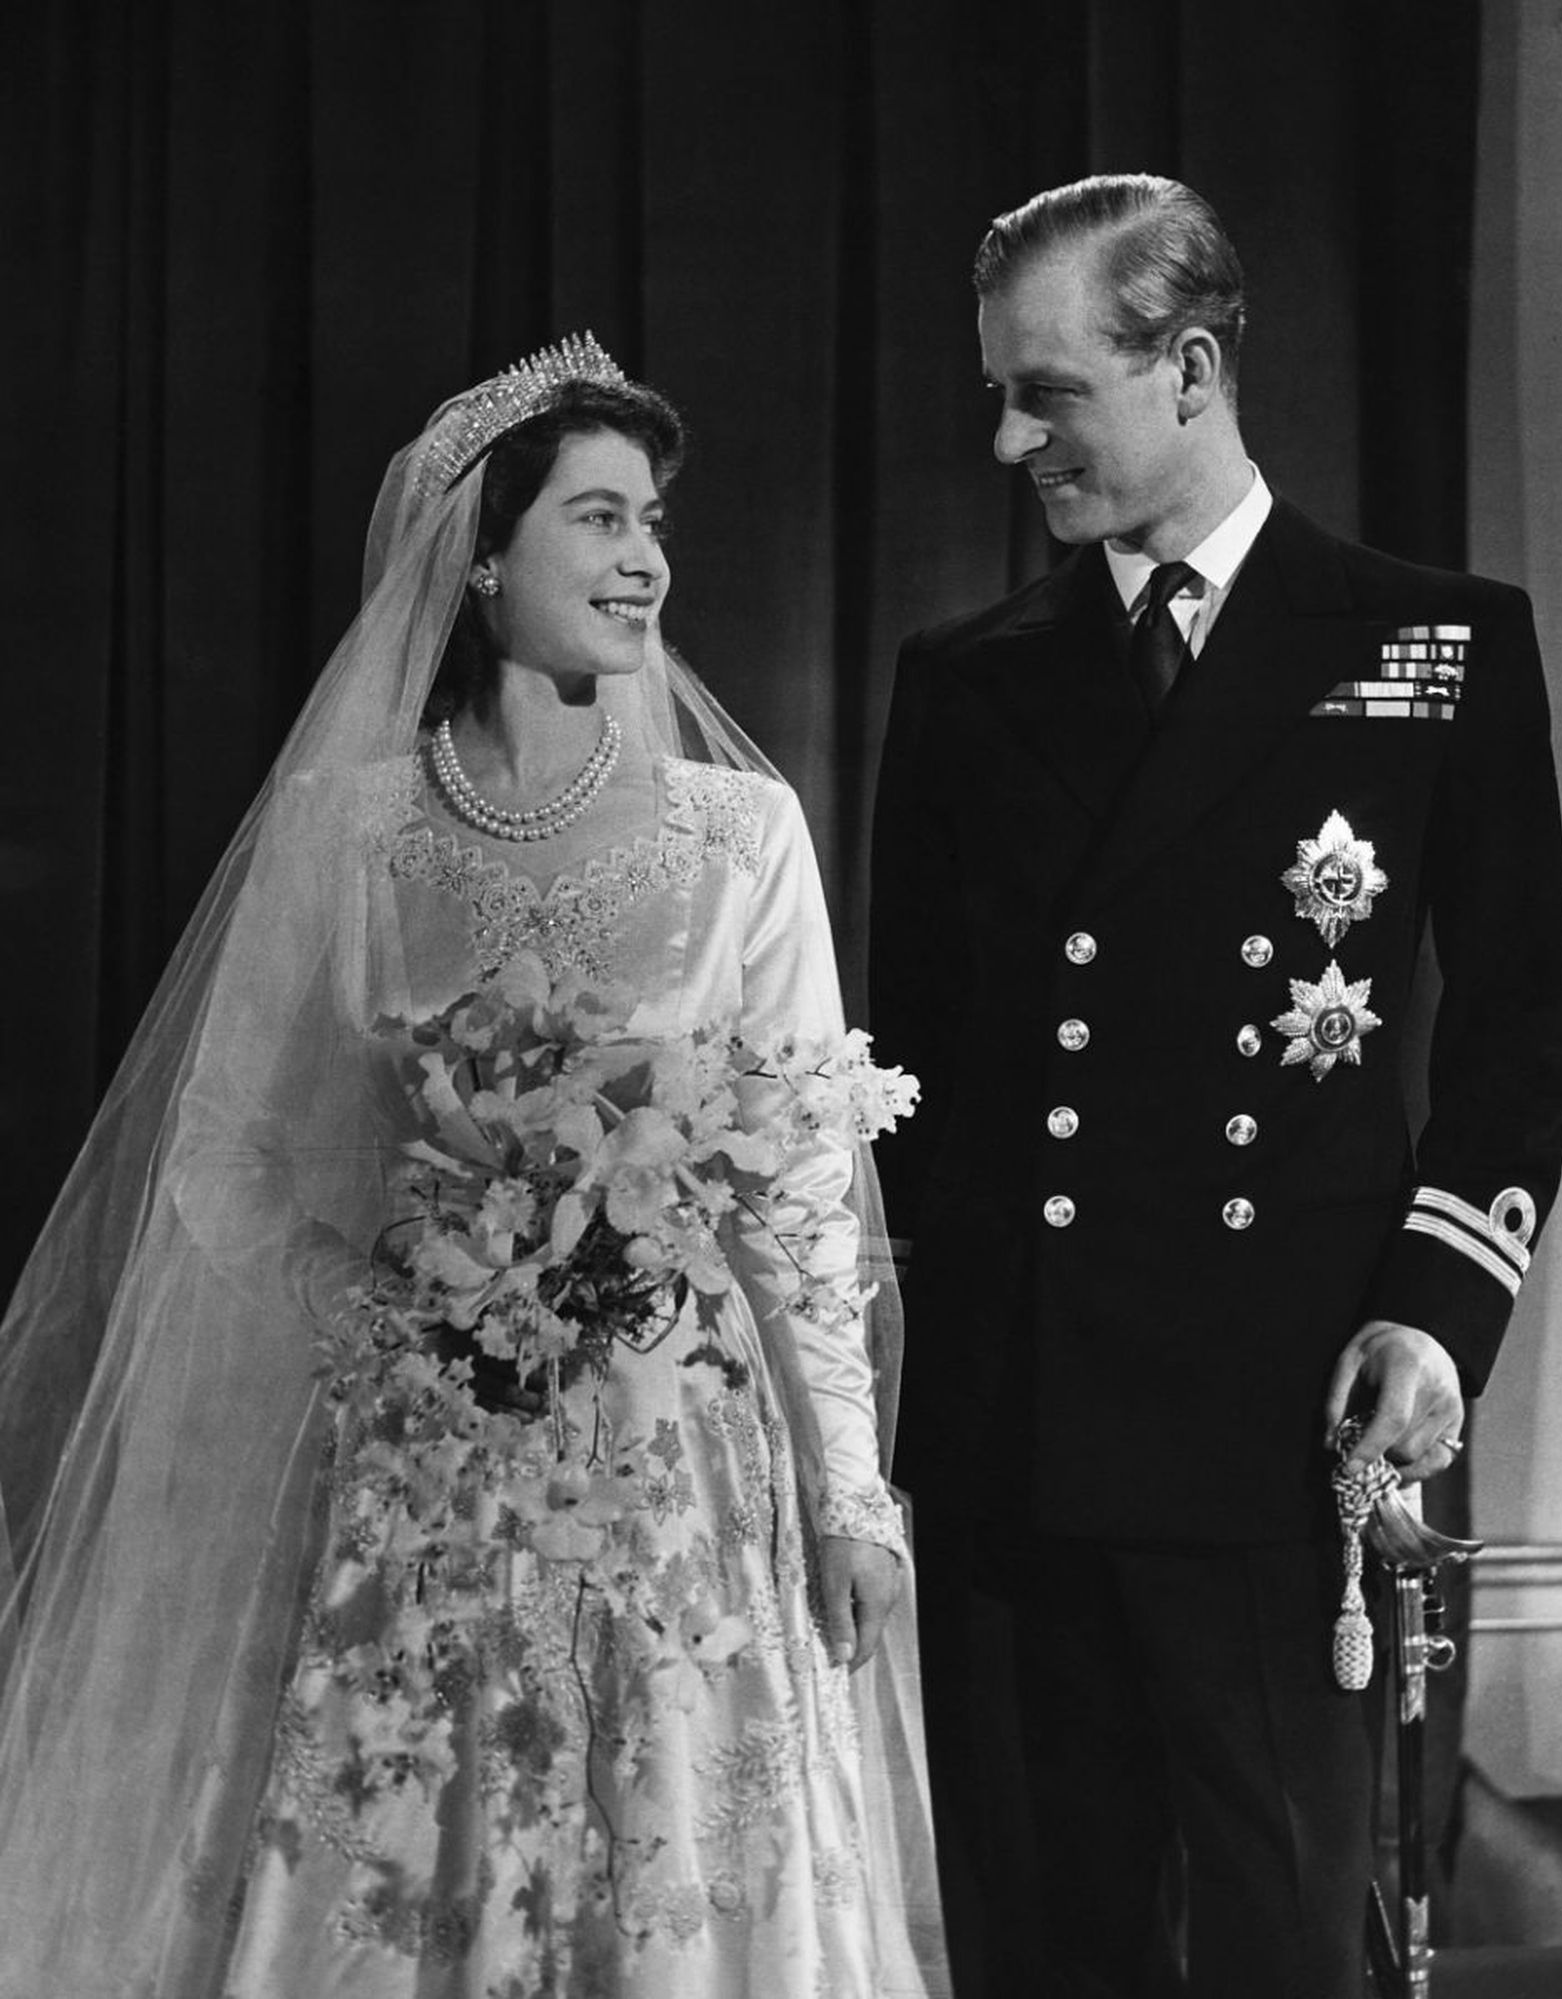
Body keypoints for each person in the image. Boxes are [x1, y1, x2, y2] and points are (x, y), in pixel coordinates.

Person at [0, 337, 946, 1997]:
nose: (646, 556)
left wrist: (852, 1497)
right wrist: (376, 1310)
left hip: (679, 1476)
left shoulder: (742, 836)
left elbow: (800, 1195)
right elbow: (220, 1151)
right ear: (483, 555)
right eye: (598, 517)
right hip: (430, 1462)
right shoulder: (348, 833)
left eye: (652, 517)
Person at [868, 175, 1562, 1999]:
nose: (1011, 437)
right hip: (1019, 1430)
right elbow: (910, 1073)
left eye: (1051, 391)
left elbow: (1515, 1028)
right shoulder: (963, 684)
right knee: (1049, 1948)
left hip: (1278, 1417)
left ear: (1190, 367)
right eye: (1001, 392)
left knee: (1281, 1939)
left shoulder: (1430, 643)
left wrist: (1437, 1314)